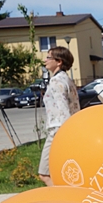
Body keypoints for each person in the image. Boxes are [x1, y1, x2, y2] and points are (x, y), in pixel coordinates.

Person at [38, 46, 81, 187]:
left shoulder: (56, 81)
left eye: (49, 57)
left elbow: (63, 109)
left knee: (45, 174)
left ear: (59, 61)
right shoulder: (67, 79)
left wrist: (64, 133)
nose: (45, 60)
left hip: (58, 130)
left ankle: (63, 199)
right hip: (70, 128)